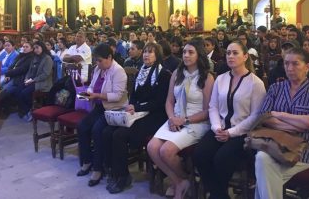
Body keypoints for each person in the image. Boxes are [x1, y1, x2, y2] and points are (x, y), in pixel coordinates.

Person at [193, 40, 266, 199]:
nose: (230, 56)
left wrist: (231, 133)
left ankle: (216, 195)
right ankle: (219, 194)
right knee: (199, 154)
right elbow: (213, 107)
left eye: (235, 53)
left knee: (221, 159)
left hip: (242, 133)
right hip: (219, 129)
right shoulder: (221, 79)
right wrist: (217, 127)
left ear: (245, 56)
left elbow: (255, 116)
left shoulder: (256, 83)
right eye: (228, 53)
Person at [148, 39, 215, 199]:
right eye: (184, 52)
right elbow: (169, 101)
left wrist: (183, 120)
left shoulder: (207, 78)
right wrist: (172, 118)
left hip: (195, 121)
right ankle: (179, 180)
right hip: (175, 118)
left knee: (166, 151)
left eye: (191, 52)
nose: (186, 55)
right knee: (152, 147)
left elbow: (207, 111)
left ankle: (182, 179)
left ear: (199, 55)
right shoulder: (177, 74)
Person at [102, 43, 171, 193]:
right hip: (138, 113)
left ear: (157, 55)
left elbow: (159, 102)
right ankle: (113, 171)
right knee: (108, 131)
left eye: (150, 52)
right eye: (145, 52)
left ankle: (123, 177)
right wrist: (131, 106)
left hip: (155, 116)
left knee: (119, 135)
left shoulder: (164, 74)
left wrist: (137, 107)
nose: (146, 55)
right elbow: (134, 95)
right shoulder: (142, 71)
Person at [254, 47, 309, 199]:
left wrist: (279, 114)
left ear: (308, 67)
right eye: (286, 63)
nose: (290, 68)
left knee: (264, 172)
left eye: (295, 64)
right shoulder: (276, 88)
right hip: (275, 145)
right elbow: (264, 117)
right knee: (262, 159)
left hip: (304, 150)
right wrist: (299, 124)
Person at [76, 43, 128, 187]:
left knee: (97, 130)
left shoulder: (118, 71)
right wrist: (89, 93)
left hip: (114, 109)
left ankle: (98, 169)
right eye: (96, 61)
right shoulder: (99, 69)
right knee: (82, 126)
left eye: (100, 60)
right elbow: (92, 85)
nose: (97, 64)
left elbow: (117, 96)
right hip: (99, 107)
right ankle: (87, 161)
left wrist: (97, 95)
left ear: (109, 57)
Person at [17, 41, 53, 121]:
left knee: (25, 92)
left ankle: (28, 111)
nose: (36, 50)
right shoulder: (35, 58)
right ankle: (24, 111)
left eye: (37, 48)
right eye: (34, 48)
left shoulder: (47, 58)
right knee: (19, 89)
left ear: (42, 48)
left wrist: (33, 80)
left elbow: (45, 74)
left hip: (42, 82)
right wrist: (27, 78)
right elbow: (30, 71)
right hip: (32, 80)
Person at [0, 42, 34, 109]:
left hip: (19, 79)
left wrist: (8, 73)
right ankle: (0, 107)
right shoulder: (20, 55)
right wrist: (8, 75)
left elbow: (21, 70)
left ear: (31, 49)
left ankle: (2, 109)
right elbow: (12, 65)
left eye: (27, 47)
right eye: (23, 47)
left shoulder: (31, 58)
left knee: (3, 92)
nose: (24, 48)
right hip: (11, 76)